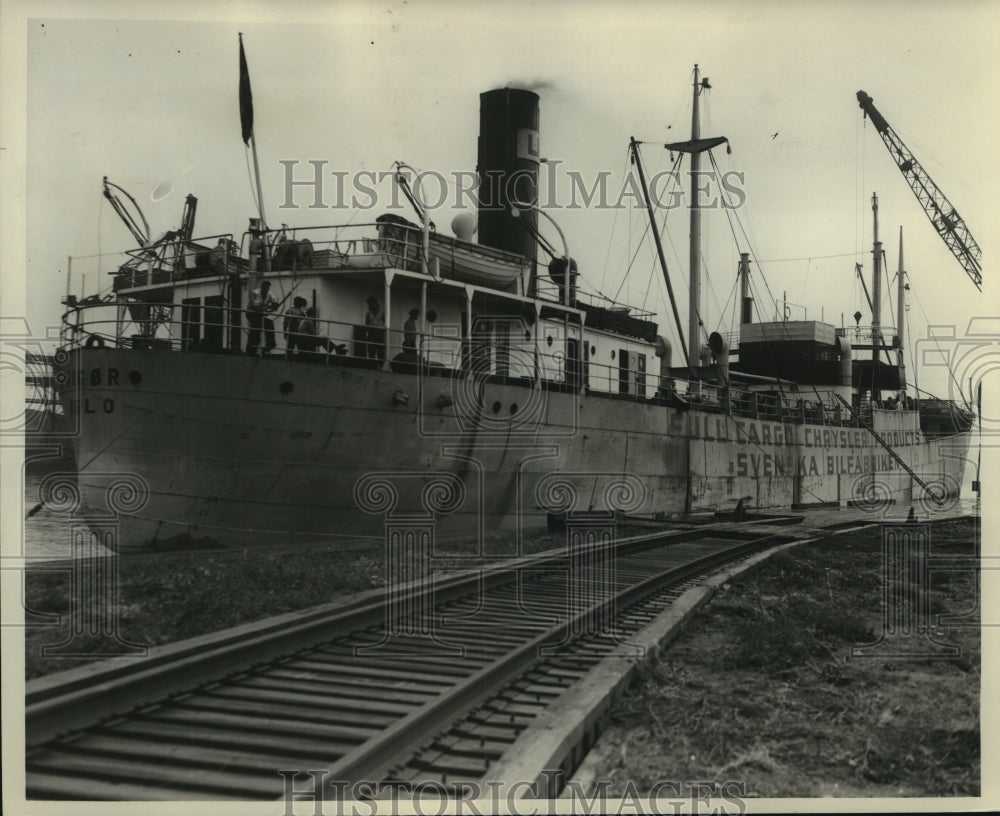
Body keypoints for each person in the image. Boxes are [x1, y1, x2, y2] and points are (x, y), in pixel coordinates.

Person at [246, 279, 279, 356]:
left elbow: (275, 303)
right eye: (264, 288)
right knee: (257, 328)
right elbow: (257, 307)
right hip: (252, 313)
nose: (265, 290)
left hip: (260, 314)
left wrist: (271, 306)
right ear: (261, 287)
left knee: (267, 323)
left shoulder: (269, 293)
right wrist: (268, 307)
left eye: (267, 288)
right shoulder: (255, 293)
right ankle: (251, 350)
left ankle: (270, 344)